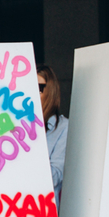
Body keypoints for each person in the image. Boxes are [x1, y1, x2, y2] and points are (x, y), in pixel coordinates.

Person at [35, 65, 67, 196]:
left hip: (40, 209)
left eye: (38, 88)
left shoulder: (62, 127)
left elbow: (56, 176)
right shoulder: (13, 124)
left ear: (50, 91)